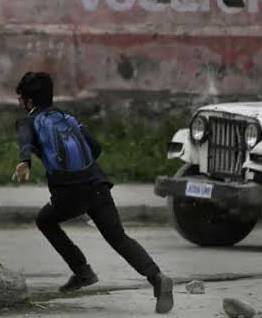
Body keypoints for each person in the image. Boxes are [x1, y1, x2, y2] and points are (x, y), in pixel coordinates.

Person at [12, 72, 174, 314]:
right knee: (119, 238)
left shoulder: (29, 121)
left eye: (21, 99)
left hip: (68, 194)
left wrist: (25, 160)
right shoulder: (68, 116)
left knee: (45, 220)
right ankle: (157, 277)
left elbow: (25, 141)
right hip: (97, 185)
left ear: (28, 101)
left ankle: (82, 271)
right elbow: (95, 147)